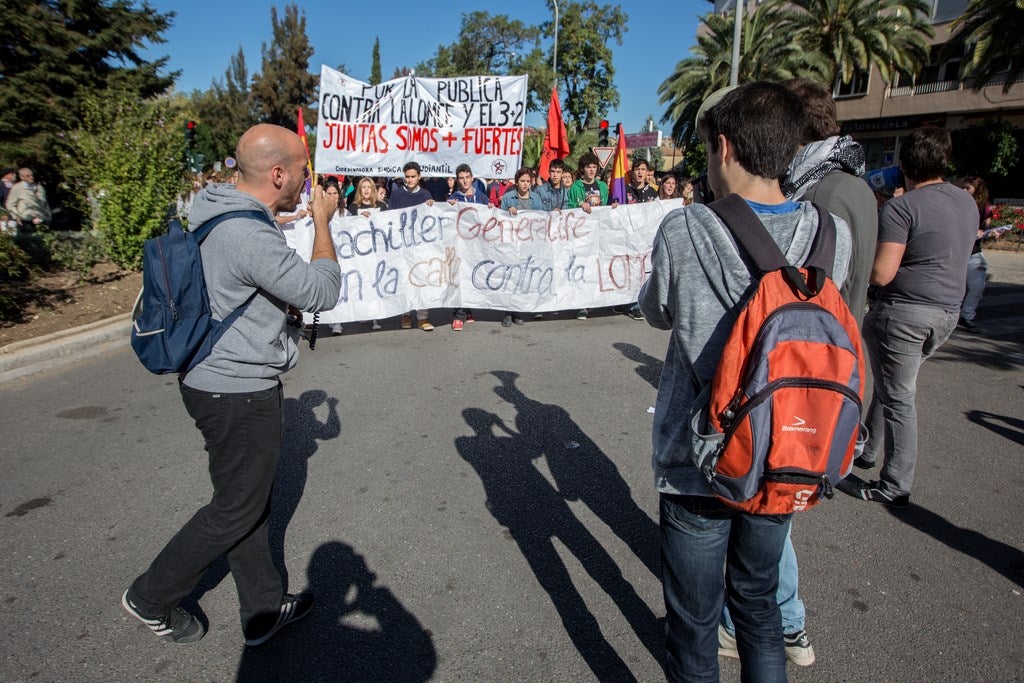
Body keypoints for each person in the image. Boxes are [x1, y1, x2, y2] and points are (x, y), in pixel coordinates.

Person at [638, 82, 852, 681]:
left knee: (694, 626)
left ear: (724, 147)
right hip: (787, 448)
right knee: (758, 608)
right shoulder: (833, 234)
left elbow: (658, 311)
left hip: (699, 455)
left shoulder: (686, 231)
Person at [121, 123, 342, 646]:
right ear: (279, 173)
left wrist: (278, 218)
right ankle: (151, 596)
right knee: (236, 507)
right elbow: (320, 291)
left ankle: (263, 608)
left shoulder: (221, 209)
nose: (306, 183)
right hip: (236, 389)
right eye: (302, 173)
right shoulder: (247, 234)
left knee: (247, 498)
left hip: (214, 379)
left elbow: (242, 255)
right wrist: (322, 225)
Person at [839, 127, 977, 506]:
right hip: (947, 312)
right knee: (892, 385)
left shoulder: (903, 208)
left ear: (902, 165)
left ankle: (895, 482)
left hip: (904, 313)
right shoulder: (966, 202)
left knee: (898, 397)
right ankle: (868, 451)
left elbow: (882, 273)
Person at [782, 78, 879, 326]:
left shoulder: (818, 195)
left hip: (818, 347)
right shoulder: (854, 183)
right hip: (841, 340)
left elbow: (814, 296)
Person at [387, 161, 435, 331]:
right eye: (407, 176)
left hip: (420, 246)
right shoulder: (397, 194)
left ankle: (423, 317)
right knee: (405, 280)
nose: (409, 179)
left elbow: (431, 221)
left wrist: (431, 207)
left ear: (419, 176)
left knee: (421, 278)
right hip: (402, 245)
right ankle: (406, 314)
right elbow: (390, 217)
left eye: (413, 176)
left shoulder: (425, 194)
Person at [448, 163, 490, 330]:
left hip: (477, 246)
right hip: (460, 245)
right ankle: (459, 315)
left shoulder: (481, 197)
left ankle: (469, 309)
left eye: (467, 178)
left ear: (472, 178)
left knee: (473, 276)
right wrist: (447, 207)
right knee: (460, 277)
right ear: (457, 180)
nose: (465, 181)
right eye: (461, 178)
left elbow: (490, 218)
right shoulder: (454, 199)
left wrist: (491, 209)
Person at [955, 175, 991, 332]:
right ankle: (951, 313)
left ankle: (967, 315)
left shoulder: (984, 207)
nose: (964, 190)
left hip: (974, 251)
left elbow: (986, 227)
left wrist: (989, 232)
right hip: (957, 251)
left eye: (967, 188)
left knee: (978, 284)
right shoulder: (956, 204)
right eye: (963, 187)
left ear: (977, 191)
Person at [4, 167, 52, 232]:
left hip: (40, 220)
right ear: (22, 177)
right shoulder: (17, 188)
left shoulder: (39, 188)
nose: (31, 177)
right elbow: (10, 204)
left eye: (32, 175)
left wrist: (48, 218)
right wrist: (17, 216)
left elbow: (45, 204)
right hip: (25, 220)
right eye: (28, 176)